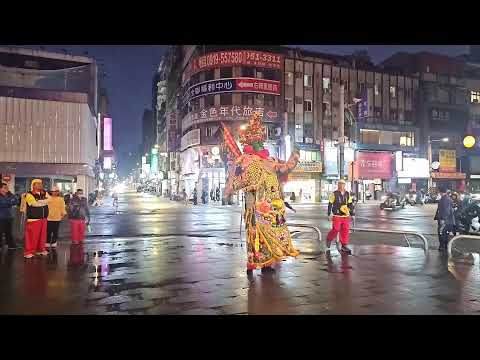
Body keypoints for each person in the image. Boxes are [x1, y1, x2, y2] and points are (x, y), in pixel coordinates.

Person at [326, 179, 355, 254]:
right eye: (340, 184)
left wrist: (352, 214)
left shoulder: (347, 194)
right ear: (338, 185)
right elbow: (330, 204)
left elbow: (350, 205)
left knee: (345, 230)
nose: (341, 185)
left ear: (344, 185)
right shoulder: (334, 194)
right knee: (336, 229)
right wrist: (329, 214)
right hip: (337, 215)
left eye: (343, 184)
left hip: (345, 215)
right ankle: (329, 239)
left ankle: (344, 245)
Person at [24, 179, 50, 259]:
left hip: (44, 218)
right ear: (33, 185)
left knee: (42, 236)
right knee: (32, 236)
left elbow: (50, 200)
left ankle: (40, 250)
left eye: (41, 184)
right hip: (33, 219)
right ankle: (28, 252)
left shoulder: (44, 192)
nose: (40, 185)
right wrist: (44, 201)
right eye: (37, 184)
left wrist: (40, 201)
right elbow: (33, 204)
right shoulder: (29, 194)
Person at [435, 186, 455, 251]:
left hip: (444, 220)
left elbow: (446, 210)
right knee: (444, 233)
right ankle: (445, 246)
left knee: (442, 233)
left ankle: (443, 246)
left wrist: (443, 219)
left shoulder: (445, 199)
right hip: (446, 220)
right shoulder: (446, 198)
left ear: (440, 191)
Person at [0, 183, 19, 250]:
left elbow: (16, 201)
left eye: (7, 187)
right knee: (0, 231)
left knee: (9, 232)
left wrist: (11, 195)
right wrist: (10, 202)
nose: (7, 188)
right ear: (0, 188)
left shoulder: (9, 195)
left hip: (9, 216)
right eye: (5, 187)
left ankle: (10, 245)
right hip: (1, 217)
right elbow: (2, 203)